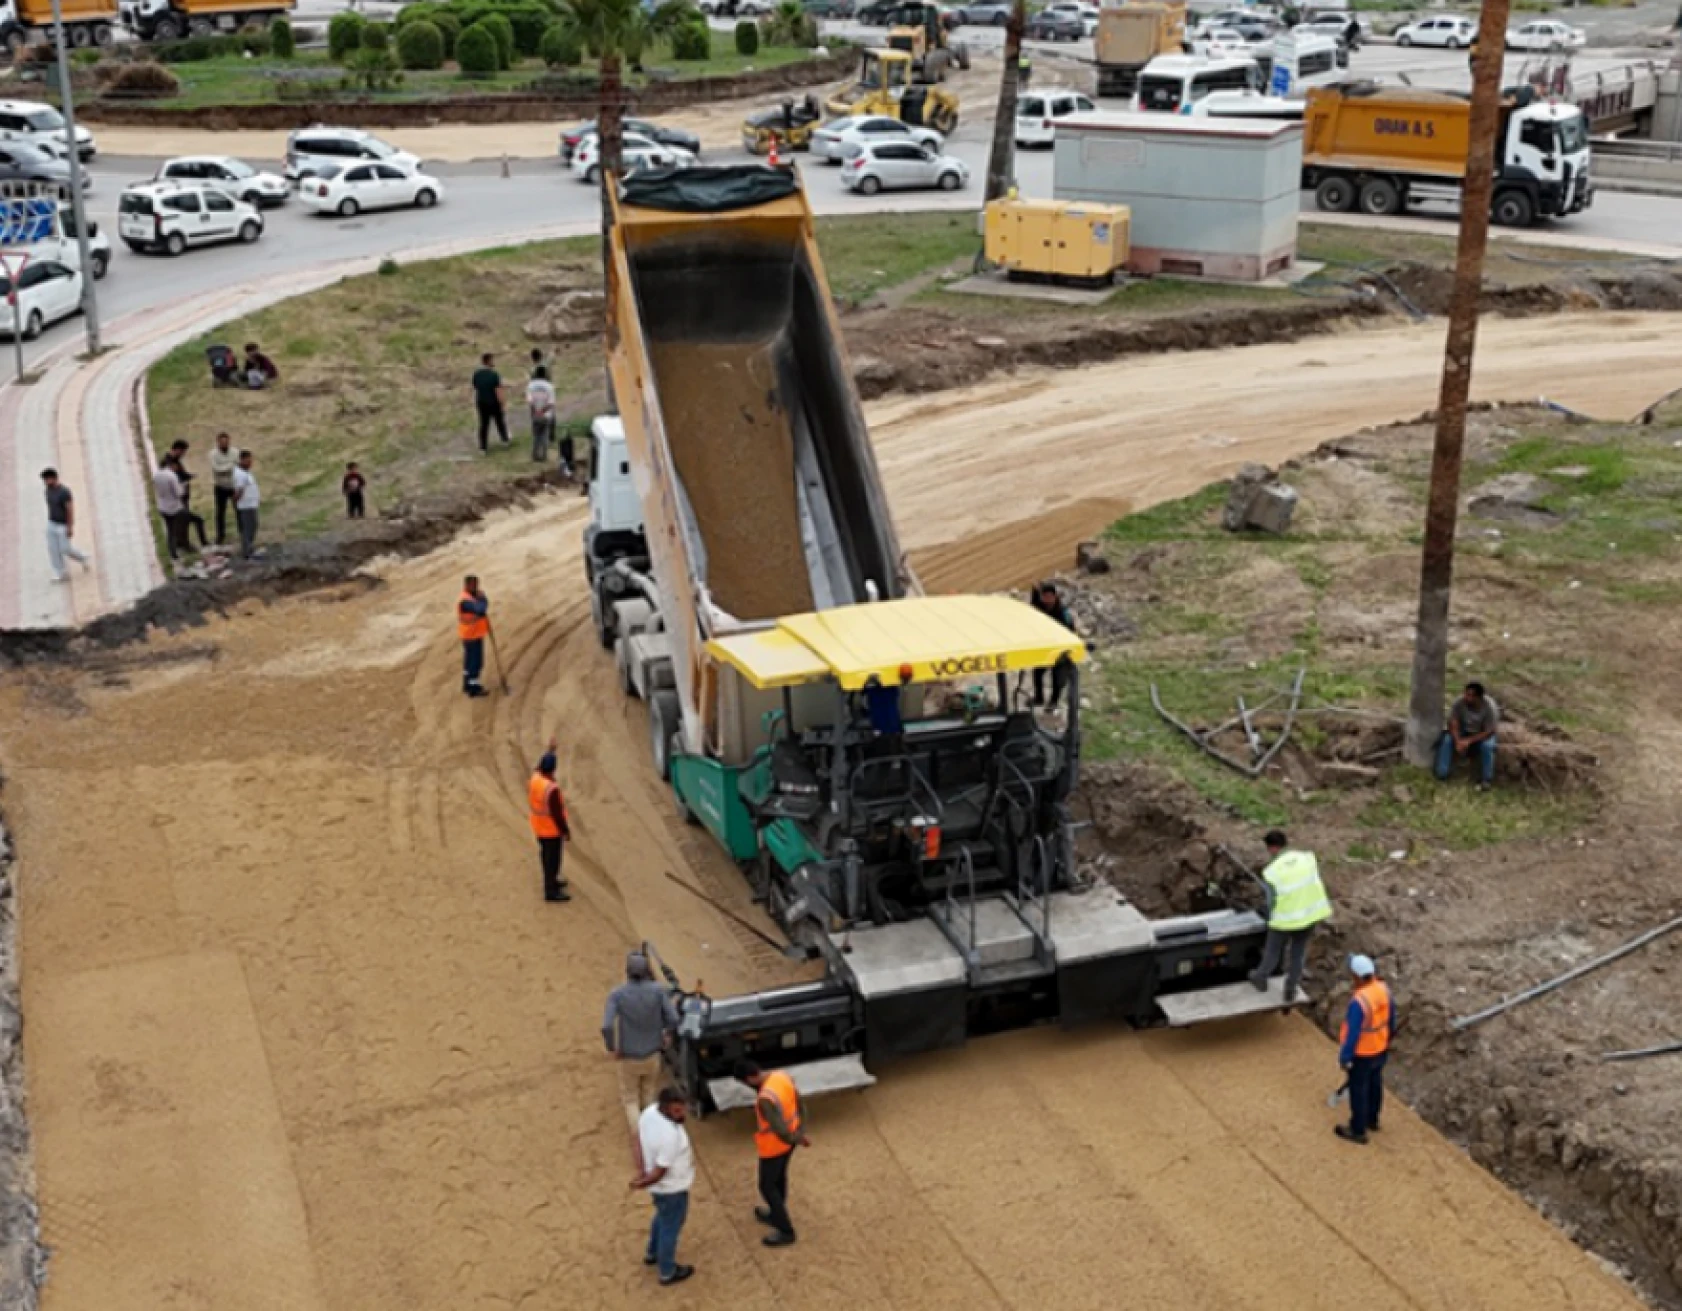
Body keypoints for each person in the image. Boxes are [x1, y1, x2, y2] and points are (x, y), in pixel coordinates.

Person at [1247, 829, 1331, 1004]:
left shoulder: (1272, 871)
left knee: (1273, 951)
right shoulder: (1307, 858)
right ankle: (1290, 989)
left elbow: (1271, 902)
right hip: (1309, 916)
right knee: (1297, 954)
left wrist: (1267, 913)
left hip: (1284, 921)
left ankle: (1260, 978)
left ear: (1271, 848)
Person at [604, 952, 679, 1138]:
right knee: (648, 1093)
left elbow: (606, 1026)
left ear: (627, 972)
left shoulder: (617, 995)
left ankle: (640, 1137)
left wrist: (612, 1047)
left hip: (628, 1055)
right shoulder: (657, 991)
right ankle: (652, 1131)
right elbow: (673, 1018)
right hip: (652, 1052)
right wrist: (666, 1033)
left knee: (630, 1098)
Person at [735, 1059, 809, 1248]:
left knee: (767, 1186)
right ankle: (776, 1213)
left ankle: (786, 1230)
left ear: (750, 1078)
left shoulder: (765, 1098)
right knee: (779, 1178)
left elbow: (778, 1128)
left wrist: (795, 1138)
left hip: (774, 1146)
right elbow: (800, 1104)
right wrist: (800, 1132)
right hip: (790, 1141)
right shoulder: (781, 1076)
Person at [631, 1087, 696, 1287]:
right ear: (666, 1108)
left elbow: (636, 1140)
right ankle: (667, 1271)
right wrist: (643, 1181)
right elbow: (661, 1171)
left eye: (683, 1109)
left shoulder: (649, 1113)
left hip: (660, 1190)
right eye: (677, 1111)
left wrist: (641, 1170)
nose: (682, 1114)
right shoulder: (670, 1136)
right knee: (672, 1226)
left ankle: (652, 1252)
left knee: (662, 1217)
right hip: (672, 1188)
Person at [1335, 954, 1393, 1145]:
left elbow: (1353, 1033)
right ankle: (1372, 1119)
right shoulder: (1384, 989)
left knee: (1358, 1089)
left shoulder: (1359, 1002)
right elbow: (1391, 1018)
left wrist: (1345, 1057)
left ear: (1357, 977)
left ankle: (1357, 1129)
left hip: (1363, 1053)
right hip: (1380, 1047)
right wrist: (1387, 1040)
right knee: (1375, 1083)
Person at [1435, 681, 1499, 790]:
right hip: (1463, 730)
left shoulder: (1490, 707)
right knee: (1447, 740)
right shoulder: (1459, 702)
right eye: (1466, 694)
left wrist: (1468, 741)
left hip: (1482, 732)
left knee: (1487, 747)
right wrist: (1458, 740)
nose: (1466, 697)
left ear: (1479, 698)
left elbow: (1489, 731)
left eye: (1470, 696)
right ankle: (1442, 773)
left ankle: (1486, 779)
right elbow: (1453, 722)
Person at [529, 745, 572, 903]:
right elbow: (557, 814)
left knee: (546, 857)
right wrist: (565, 830)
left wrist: (550, 750)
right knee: (552, 860)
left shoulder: (535, 779)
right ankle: (551, 891)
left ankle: (552, 882)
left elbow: (538, 765)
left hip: (539, 827)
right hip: (551, 830)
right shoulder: (551, 789)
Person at [1027, 581, 1076, 708]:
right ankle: (1039, 698)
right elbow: (1033, 605)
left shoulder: (1062, 612)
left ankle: (1053, 702)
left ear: (1055, 597)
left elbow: (1070, 630)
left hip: (1060, 649)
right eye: (1044, 596)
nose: (1047, 599)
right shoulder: (1041, 606)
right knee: (1037, 673)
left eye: (1050, 596)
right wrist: (1034, 591)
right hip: (1046, 648)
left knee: (1057, 678)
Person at [40, 468, 91, 582]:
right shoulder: (47, 491)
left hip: (62, 524)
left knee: (65, 549)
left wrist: (70, 526)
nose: (45, 482)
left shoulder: (64, 492)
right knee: (53, 549)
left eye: (47, 479)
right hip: (51, 523)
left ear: (54, 478)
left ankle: (82, 557)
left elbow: (70, 509)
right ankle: (60, 572)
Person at [169, 440, 209, 549]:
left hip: (183, 498)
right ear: (178, 450)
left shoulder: (175, 461)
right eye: (183, 452)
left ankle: (182, 542)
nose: (184, 454)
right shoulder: (170, 462)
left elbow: (181, 475)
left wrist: (189, 476)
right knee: (190, 520)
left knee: (184, 521)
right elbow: (175, 479)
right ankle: (186, 544)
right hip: (178, 499)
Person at [457, 575, 490, 698]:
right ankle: (473, 688)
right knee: (475, 662)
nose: (475, 587)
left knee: (469, 661)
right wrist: (483, 598)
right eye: (472, 585)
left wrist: (481, 599)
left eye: (476, 584)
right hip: (471, 635)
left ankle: (467, 684)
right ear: (466, 585)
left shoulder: (471, 597)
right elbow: (480, 608)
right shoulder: (466, 601)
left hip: (472, 634)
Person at [153, 454, 189, 561]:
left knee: (170, 530)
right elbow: (178, 493)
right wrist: (183, 486)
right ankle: (181, 546)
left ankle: (172, 552)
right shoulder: (171, 476)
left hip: (162, 506)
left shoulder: (156, 475)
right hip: (174, 507)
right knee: (180, 525)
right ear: (171, 465)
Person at [472, 352, 509, 453]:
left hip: (481, 402)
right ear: (488, 361)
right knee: (499, 422)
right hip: (494, 402)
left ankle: (483, 447)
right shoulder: (494, 375)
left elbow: (475, 388)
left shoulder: (476, 374)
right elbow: (498, 390)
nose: (494, 362)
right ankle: (504, 440)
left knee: (484, 425)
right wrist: (503, 403)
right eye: (492, 360)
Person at [209, 432, 241, 546]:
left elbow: (239, 466)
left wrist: (228, 467)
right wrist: (231, 466)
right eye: (222, 442)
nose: (224, 444)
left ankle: (242, 532)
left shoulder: (235, 452)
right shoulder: (213, 454)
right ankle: (220, 536)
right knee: (220, 513)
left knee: (239, 510)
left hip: (233, 486)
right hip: (220, 487)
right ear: (218, 442)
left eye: (226, 442)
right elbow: (217, 469)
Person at [232, 449, 261, 560]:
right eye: (248, 461)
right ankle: (247, 552)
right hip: (246, 506)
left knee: (253, 526)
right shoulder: (240, 474)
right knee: (248, 528)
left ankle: (250, 548)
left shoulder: (245, 472)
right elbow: (238, 491)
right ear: (242, 460)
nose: (250, 463)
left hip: (251, 504)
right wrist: (237, 502)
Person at [527, 365, 557, 464]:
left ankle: (535, 455)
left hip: (535, 413)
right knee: (545, 435)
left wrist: (535, 412)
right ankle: (543, 455)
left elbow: (530, 401)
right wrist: (542, 411)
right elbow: (551, 403)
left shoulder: (531, 385)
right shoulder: (550, 386)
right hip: (546, 414)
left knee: (536, 435)